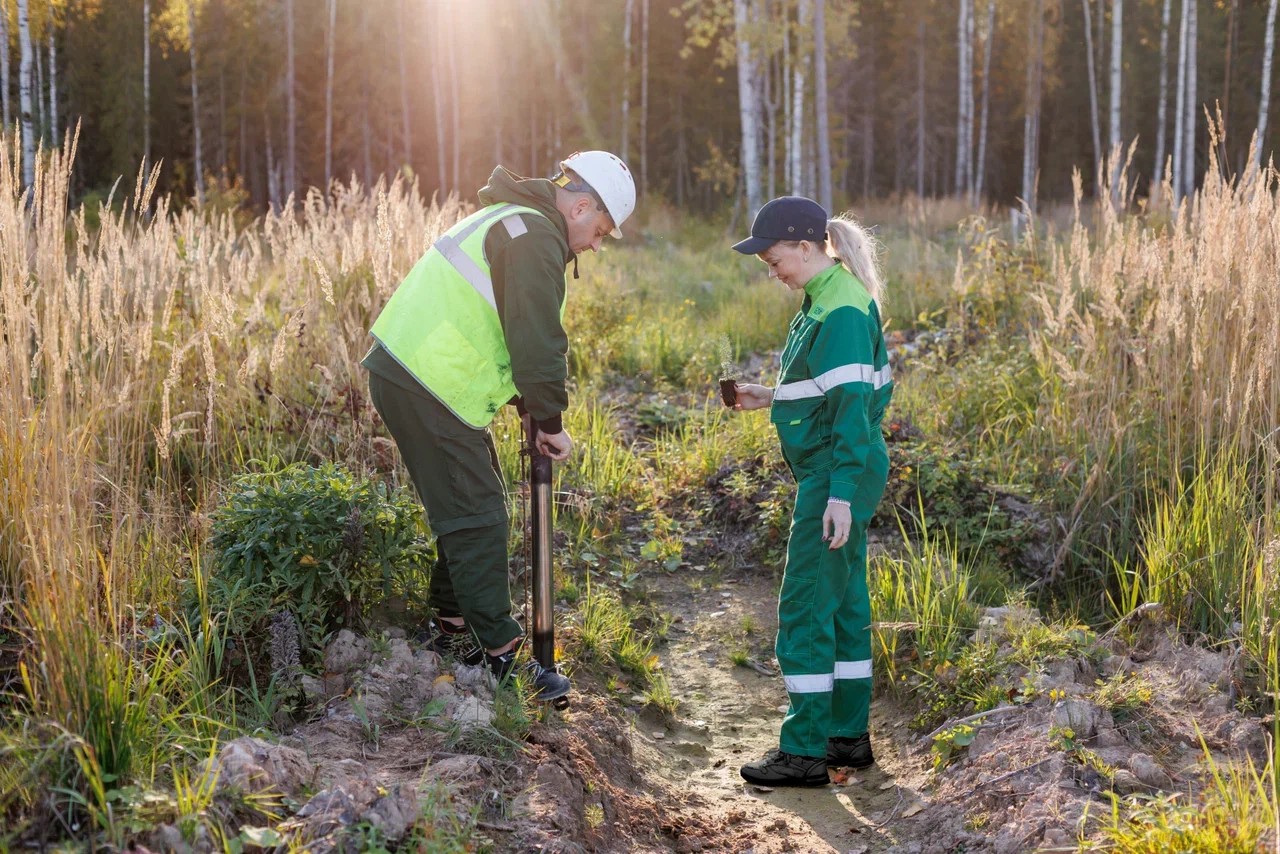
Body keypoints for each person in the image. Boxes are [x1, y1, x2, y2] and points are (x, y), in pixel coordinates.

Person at [362, 151, 636, 701]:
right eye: (601, 231)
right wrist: (550, 421)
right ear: (581, 206)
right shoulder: (534, 236)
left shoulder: (512, 219)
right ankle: (505, 657)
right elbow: (537, 341)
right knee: (479, 511)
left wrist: (529, 408)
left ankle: (450, 628)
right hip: (426, 379)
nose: (595, 246)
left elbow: (502, 324)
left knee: (467, 499)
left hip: (420, 374)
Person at [729, 196, 893, 786]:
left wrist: (841, 495)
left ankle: (804, 752)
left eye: (776, 260)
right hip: (838, 466)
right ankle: (845, 739)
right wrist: (767, 396)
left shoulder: (842, 308)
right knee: (844, 602)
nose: (773, 272)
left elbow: (853, 409)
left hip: (835, 472)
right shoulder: (827, 298)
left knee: (806, 603)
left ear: (806, 246)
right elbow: (825, 389)